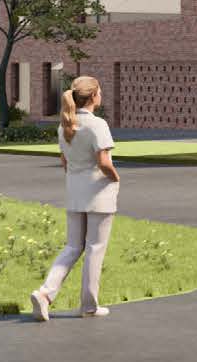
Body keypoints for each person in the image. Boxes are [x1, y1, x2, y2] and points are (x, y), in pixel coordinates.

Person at [28, 74, 119, 321]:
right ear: (93, 96)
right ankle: (89, 306)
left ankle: (45, 294)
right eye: (99, 91)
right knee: (95, 248)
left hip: (74, 190)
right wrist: (116, 177)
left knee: (72, 246)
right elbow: (103, 162)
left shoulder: (65, 125)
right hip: (98, 192)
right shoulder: (97, 125)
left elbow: (64, 162)